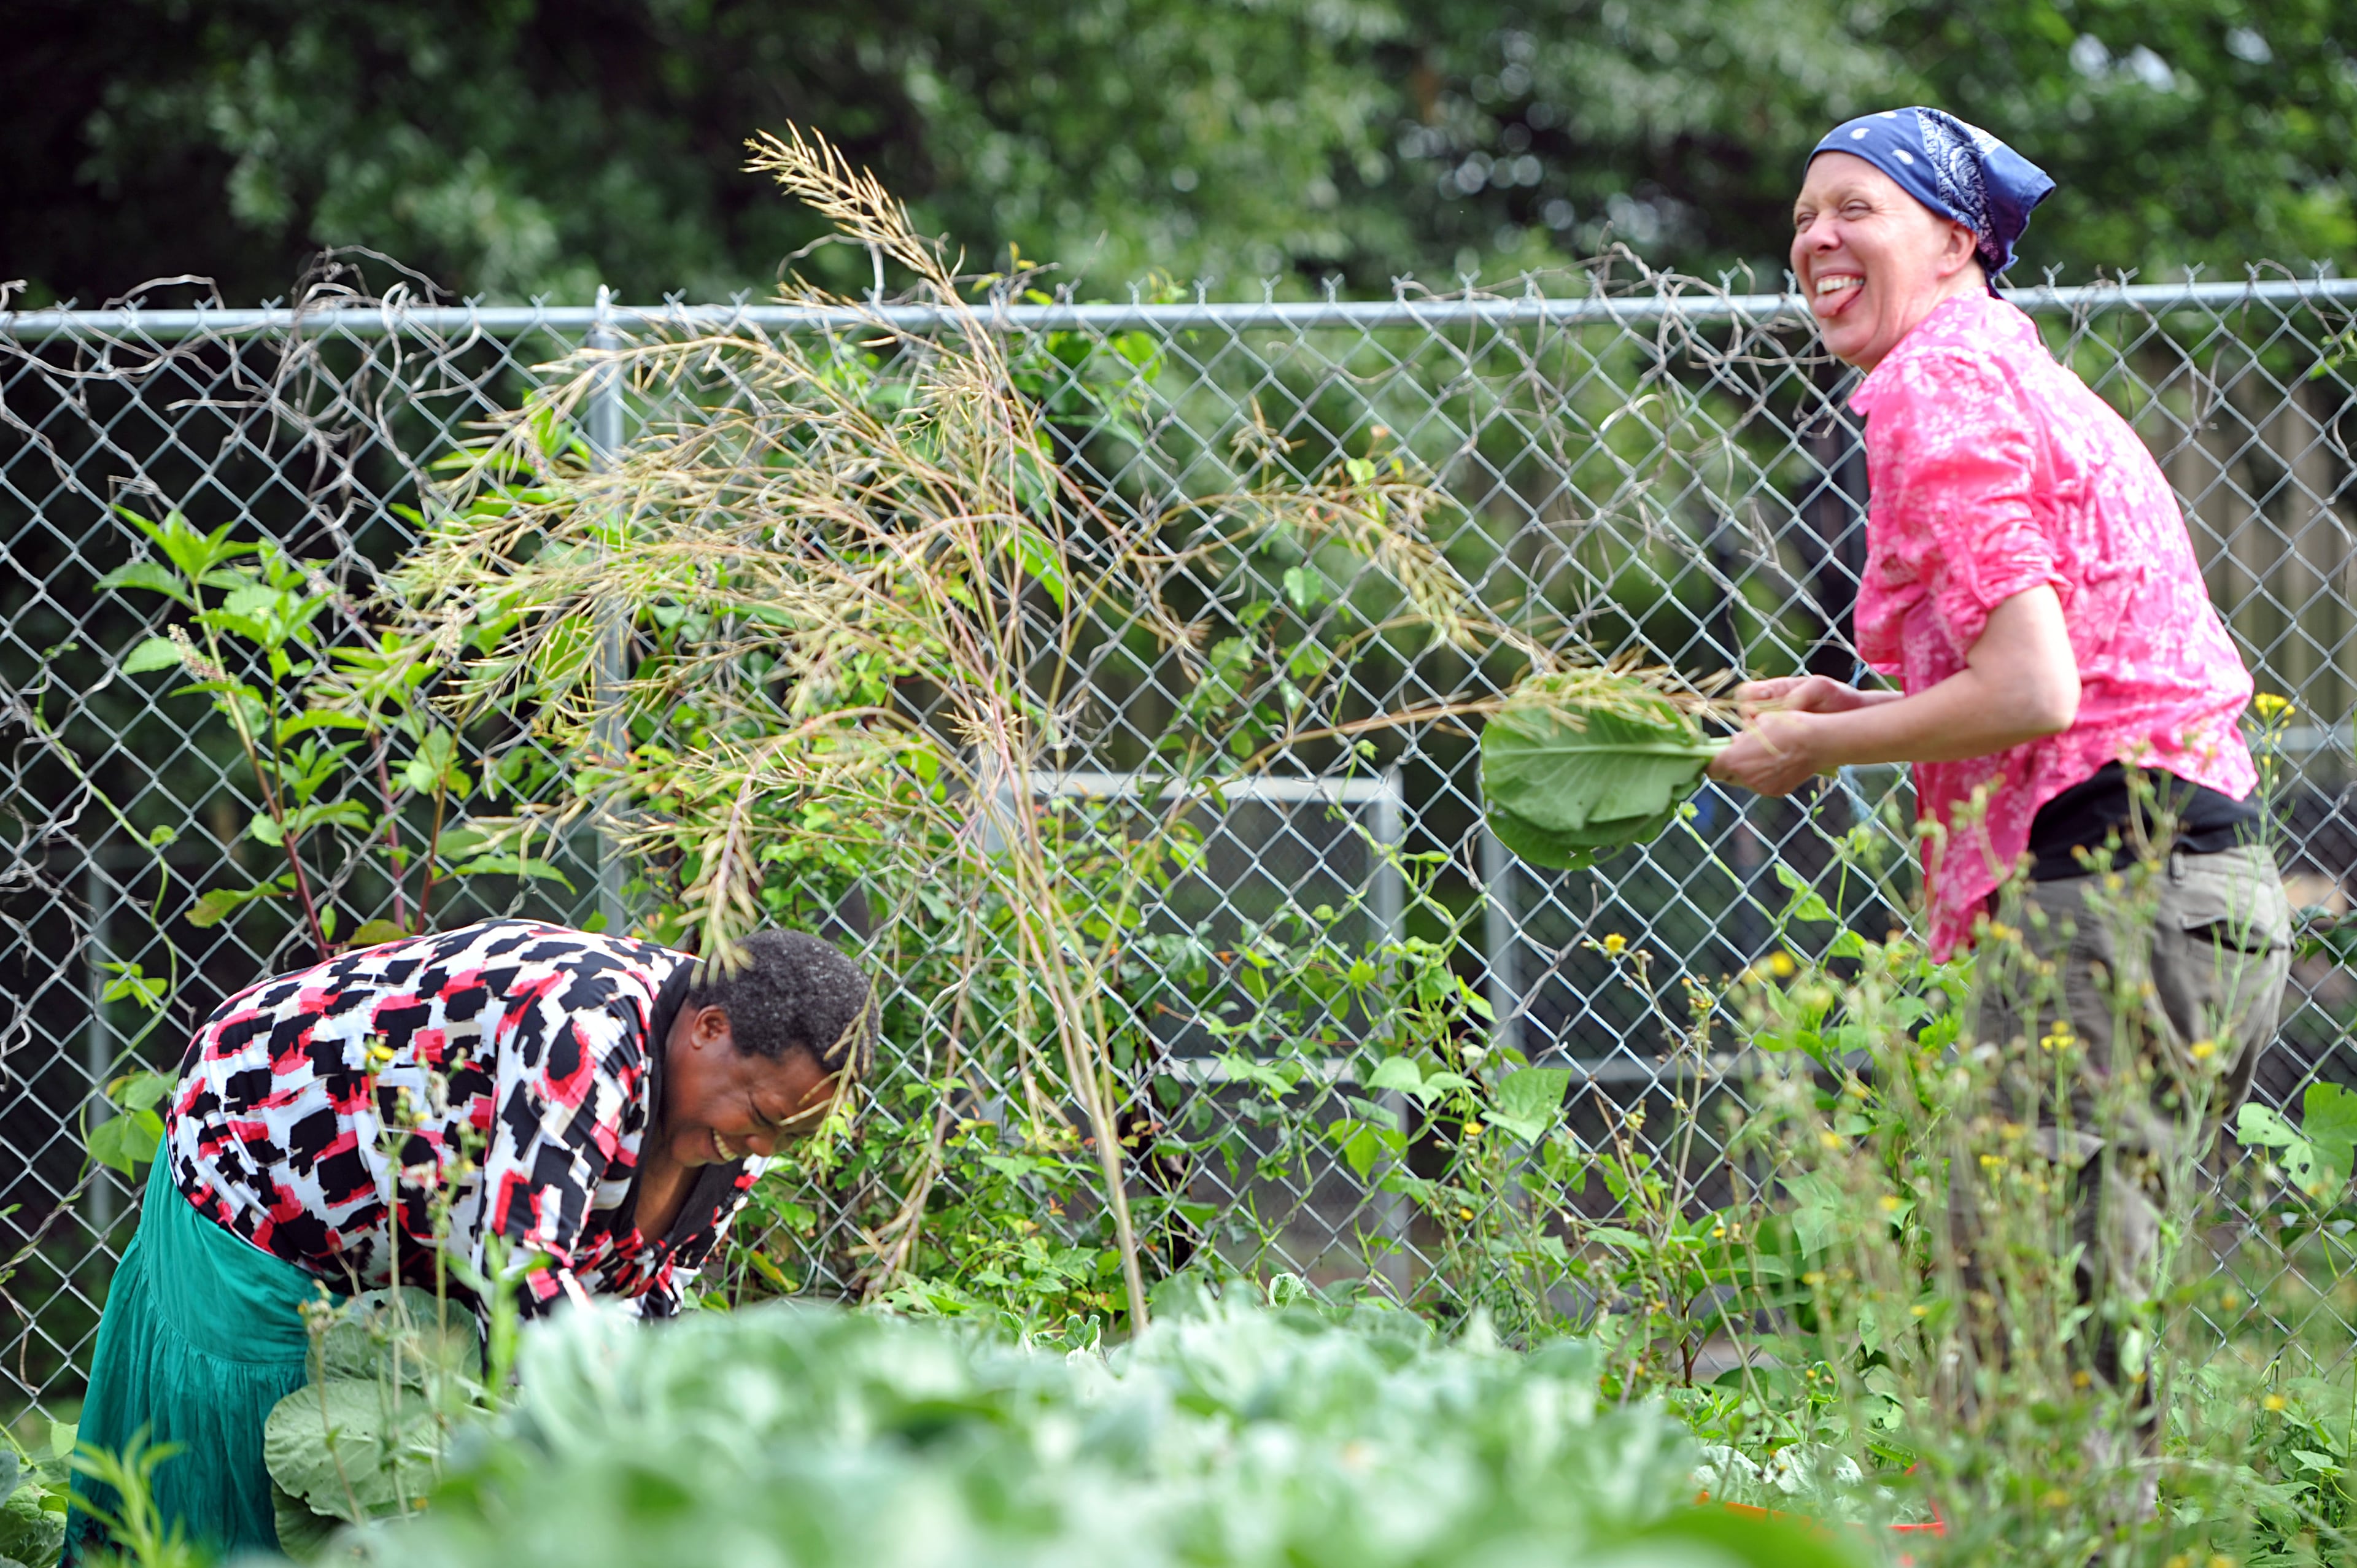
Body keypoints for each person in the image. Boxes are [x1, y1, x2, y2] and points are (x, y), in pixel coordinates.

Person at [1709, 104, 2291, 1470]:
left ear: (1958, 239)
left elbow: (2035, 690)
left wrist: (1814, 751)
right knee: (2079, 1348)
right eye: (1802, 215)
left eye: (1856, 205)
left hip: (2115, 906)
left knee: (2039, 1368)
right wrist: (1867, 710)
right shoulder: (2006, 371)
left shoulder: (1938, 384)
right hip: (2189, 900)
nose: (1815, 236)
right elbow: (2049, 680)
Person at [64, 918, 875, 1562]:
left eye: (794, 1135)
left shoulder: (738, 1128)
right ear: (708, 1029)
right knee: (240, 1485)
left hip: (406, 1233)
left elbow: (649, 1300)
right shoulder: (584, 1027)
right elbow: (523, 1267)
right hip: (261, 1165)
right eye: (765, 1119)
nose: (765, 1150)